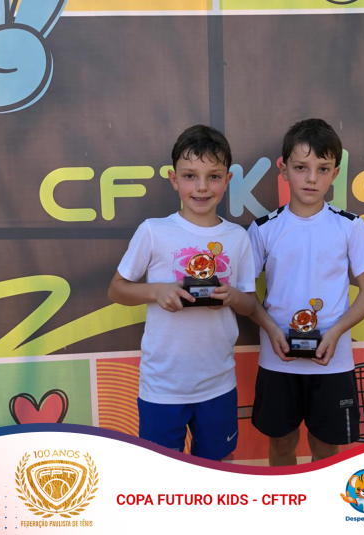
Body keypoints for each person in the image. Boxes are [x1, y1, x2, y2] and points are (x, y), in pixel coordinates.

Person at [108, 125, 257, 460]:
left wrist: (231, 297)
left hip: (218, 383)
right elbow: (117, 289)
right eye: (190, 176)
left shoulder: (237, 237)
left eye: (213, 176)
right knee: (164, 475)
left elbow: (249, 304)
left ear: (227, 180)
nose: (201, 187)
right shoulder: (153, 231)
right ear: (174, 180)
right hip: (162, 387)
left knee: (220, 464)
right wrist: (157, 292)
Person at [248, 118, 364, 466]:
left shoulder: (350, 226)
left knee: (325, 449)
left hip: (332, 361)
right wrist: (272, 330)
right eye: (301, 168)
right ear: (283, 170)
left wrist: (335, 333)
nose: (311, 178)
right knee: (281, 444)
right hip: (278, 359)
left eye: (322, 169)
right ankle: (286, 500)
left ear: (335, 173)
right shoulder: (263, 229)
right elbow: (245, 295)